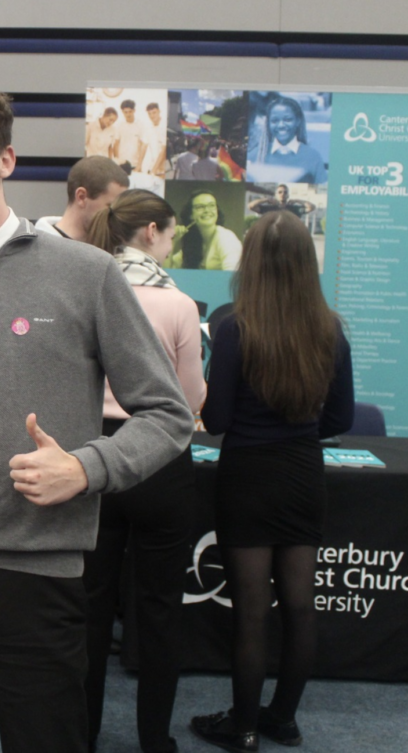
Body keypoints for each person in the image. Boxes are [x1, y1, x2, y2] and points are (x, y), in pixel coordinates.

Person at [0, 75, 194, 753]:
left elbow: (169, 414)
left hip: (40, 573)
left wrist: (85, 468)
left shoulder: (87, 274)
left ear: (6, 160)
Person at [191, 210, 354, 752]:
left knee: (252, 611)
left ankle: (243, 728)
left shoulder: (234, 327)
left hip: (249, 477)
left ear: (252, 262)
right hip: (304, 473)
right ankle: (282, 718)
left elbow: (215, 422)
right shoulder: (330, 328)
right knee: (301, 605)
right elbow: (340, 420)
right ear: (308, 263)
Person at [84, 189, 206, 753]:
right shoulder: (179, 304)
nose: (174, 241)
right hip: (159, 459)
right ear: (152, 232)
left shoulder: (85, 286)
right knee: (159, 611)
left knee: (87, 609)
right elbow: (188, 399)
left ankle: (77, 736)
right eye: (173, 232)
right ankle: (154, 740)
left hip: (94, 458)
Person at [35, 156, 129, 242]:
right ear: (81, 197)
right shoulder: (34, 247)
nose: (117, 217)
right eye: (110, 207)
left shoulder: (113, 248)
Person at [248, 97, 327, 184]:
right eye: (274, 121)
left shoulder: (313, 157)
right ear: (268, 124)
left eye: (288, 119)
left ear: (298, 121)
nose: (281, 125)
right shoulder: (255, 154)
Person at [164, 191, 242, 271]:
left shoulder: (226, 237)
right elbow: (167, 271)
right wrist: (172, 241)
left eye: (211, 205)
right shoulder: (193, 242)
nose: (207, 210)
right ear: (191, 215)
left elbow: (232, 275)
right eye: (200, 207)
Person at [248, 184, 316, 219]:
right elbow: (251, 206)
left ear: (288, 195)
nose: (282, 194)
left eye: (285, 192)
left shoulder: (294, 209)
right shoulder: (269, 209)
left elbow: (311, 207)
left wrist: (297, 200)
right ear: (276, 195)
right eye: (280, 192)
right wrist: (267, 200)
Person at [112, 99, 143, 171]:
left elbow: (142, 146)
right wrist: (117, 161)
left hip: (135, 164)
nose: (128, 114)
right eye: (125, 112)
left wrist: (139, 164)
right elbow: (116, 144)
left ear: (134, 111)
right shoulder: (119, 125)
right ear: (122, 112)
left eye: (130, 112)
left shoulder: (140, 125)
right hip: (122, 164)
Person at [140, 103, 167, 177]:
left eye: (154, 112)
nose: (152, 116)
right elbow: (143, 147)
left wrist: (154, 170)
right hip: (152, 167)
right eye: (149, 113)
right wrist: (138, 166)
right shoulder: (148, 127)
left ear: (159, 111)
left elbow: (163, 150)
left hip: (162, 168)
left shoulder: (165, 126)